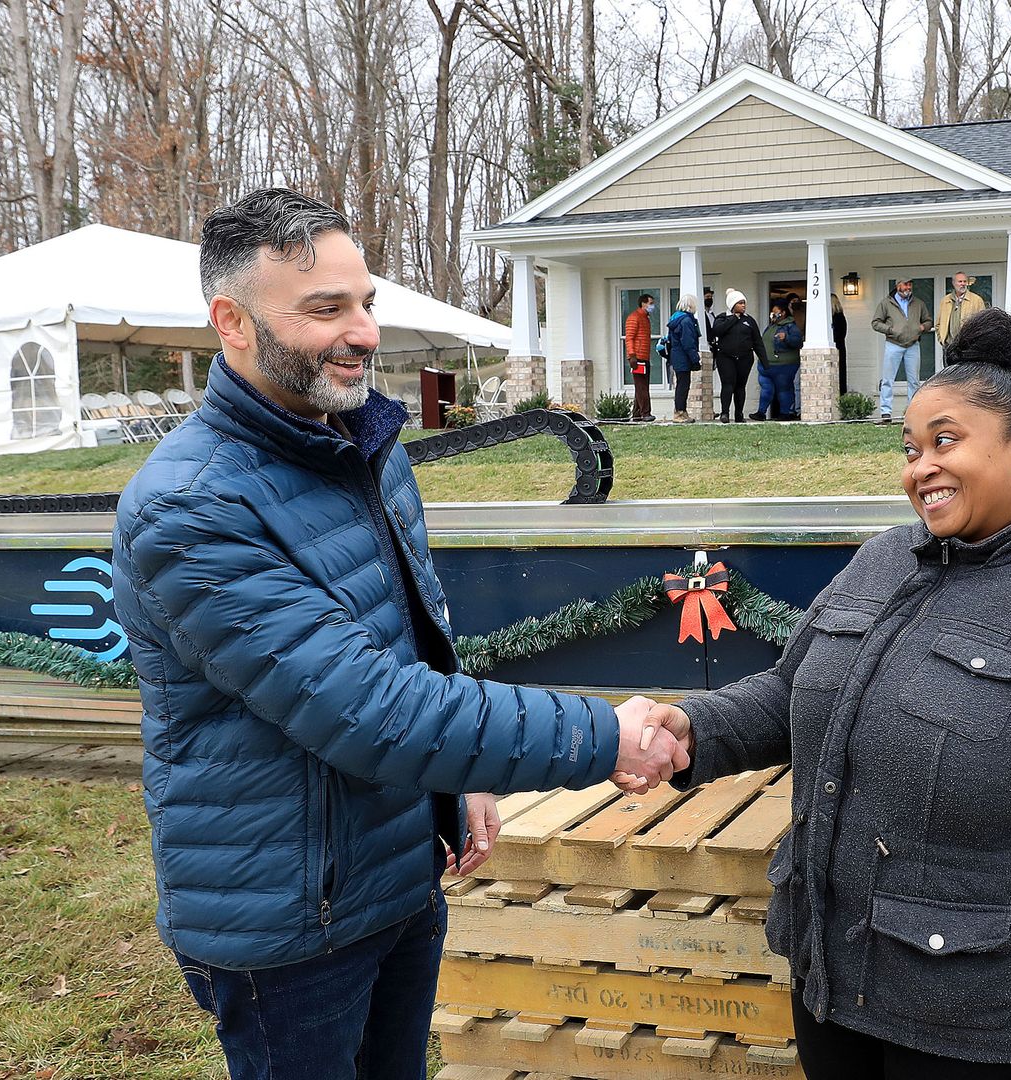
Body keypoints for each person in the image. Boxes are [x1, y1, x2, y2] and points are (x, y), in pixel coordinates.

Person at [110, 189, 685, 1080]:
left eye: (367, 302)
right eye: (326, 309)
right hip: (289, 922)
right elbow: (370, 708)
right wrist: (602, 736)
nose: (365, 332)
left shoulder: (361, 446)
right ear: (231, 321)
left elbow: (412, 639)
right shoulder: (191, 508)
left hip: (398, 874)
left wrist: (459, 781)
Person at [629, 308, 1011, 1079]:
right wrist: (693, 727)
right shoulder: (880, 561)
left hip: (988, 1033)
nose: (920, 467)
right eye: (910, 449)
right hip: (832, 994)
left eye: (945, 441)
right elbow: (791, 689)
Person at [871, 277, 933, 423]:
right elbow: (875, 323)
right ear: (898, 285)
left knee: (914, 381)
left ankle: (912, 412)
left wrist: (922, 327)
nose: (908, 287)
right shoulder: (886, 303)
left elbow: (928, 320)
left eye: (910, 284)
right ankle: (886, 413)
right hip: (893, 344)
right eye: (905, 284)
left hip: (913, 345)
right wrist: (890, 330)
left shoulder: (918, 303)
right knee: (888, 380)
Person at [713, 289, 765, 423]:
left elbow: (757, 342)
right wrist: (734, 318)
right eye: (740, 303)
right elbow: (717, 331)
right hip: (725, 357)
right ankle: (725, 413)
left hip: (744, 358)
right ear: (732, 304)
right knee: (728, 384)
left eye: (744, 303)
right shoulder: (722, 318)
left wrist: (765, 361)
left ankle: (739, 414)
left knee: (740, 386)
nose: (743, 305)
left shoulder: (749, 320)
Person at [757, 299, 803, 421]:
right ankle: (761, 412)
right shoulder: (771, 326)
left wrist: (786, 337)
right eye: (772, 312)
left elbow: (798, 342)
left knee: (784, 389)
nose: (773, 315)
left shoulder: (791, 326)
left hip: (784, 365)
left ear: (783, 313)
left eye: (775, 312)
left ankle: (785, 413)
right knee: (766, 389)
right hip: (766, 366)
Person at [666, 294, 702, 423]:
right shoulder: (686, 321)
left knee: (682, 385)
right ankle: (679, 412)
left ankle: (682, 411)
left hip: (676, 356)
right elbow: (688, 342)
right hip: (683, 357)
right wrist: (695, 359)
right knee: (683, 386)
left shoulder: (675, 318)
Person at [936, 271, 987, 353]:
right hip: (949, 346)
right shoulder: (945, 301)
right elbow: (938, 324)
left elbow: (983, 324)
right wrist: (942, 340)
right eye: (960, 281)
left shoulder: (977, 300)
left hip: (969, 347)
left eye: (964, 281)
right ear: (953, 283)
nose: (963, 284)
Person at [624, 293, 655, 421]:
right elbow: (629, 338)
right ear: (643, 303)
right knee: (642, 386)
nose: (652, 306)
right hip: (637, 357)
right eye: (651, 303)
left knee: (642, 385)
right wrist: (632, 356)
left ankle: (637, 414)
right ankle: (645, 413)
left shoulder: (645, 318)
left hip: (644, 356)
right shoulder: (634, 317)